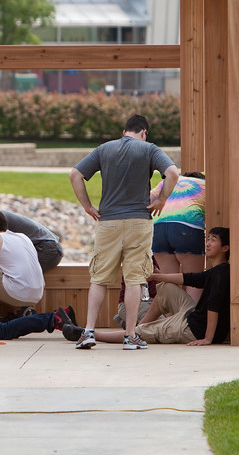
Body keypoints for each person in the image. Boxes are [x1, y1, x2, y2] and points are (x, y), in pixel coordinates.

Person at [69, 114, 179, 350]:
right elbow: (172, 173)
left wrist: (88, 206)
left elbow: (75, 175)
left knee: (98, 278)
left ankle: (88, 331)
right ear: (144, 132)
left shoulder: (104, 149)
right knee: (135, 279)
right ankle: (130, 336)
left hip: (108, 222)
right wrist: (161, 200)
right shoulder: (149, 149)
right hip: (139, 221)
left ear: (124, 132)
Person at [62, 226, 231, 348]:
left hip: (193, 329)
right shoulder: (216, 271)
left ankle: (94, 334)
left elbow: (214, 306)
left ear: (225, 248)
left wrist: (208, 338)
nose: (207, 243)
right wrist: (157, 276)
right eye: (207, 239)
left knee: (145, 331)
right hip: (192, 316)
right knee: (165, 287)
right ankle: (138, 327)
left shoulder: (221, 272)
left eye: (213, 240)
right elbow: (188, 278)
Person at [150, 171, 206, 300]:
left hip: (158, 227)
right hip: (187, 227)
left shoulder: (167, 182)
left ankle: (172, 319)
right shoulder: (205, 184)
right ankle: (191, 319)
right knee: (194, 281)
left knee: (168, 282)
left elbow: (147, 201)